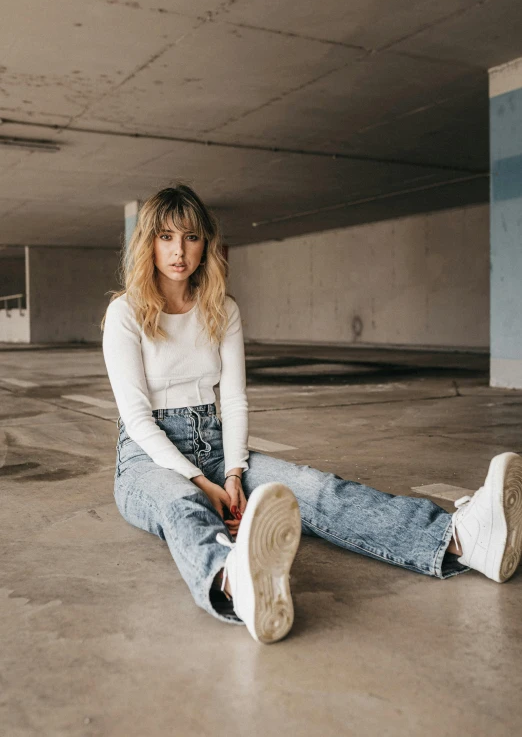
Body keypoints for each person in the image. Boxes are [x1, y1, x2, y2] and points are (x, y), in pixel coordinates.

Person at [101, 184, 522, 645]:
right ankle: (235, 581)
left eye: (190, 237)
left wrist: (235, 474)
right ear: (149, 243)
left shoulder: (222, 308)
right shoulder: (126, 314)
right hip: (145, 457)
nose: (178, 251)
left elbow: (236, 400)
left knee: (315, 488)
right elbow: (138, 419)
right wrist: (203, 485)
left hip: (217, 445)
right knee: (182, 506)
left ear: (206, 244)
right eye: (165, 237)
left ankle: (460, 537)